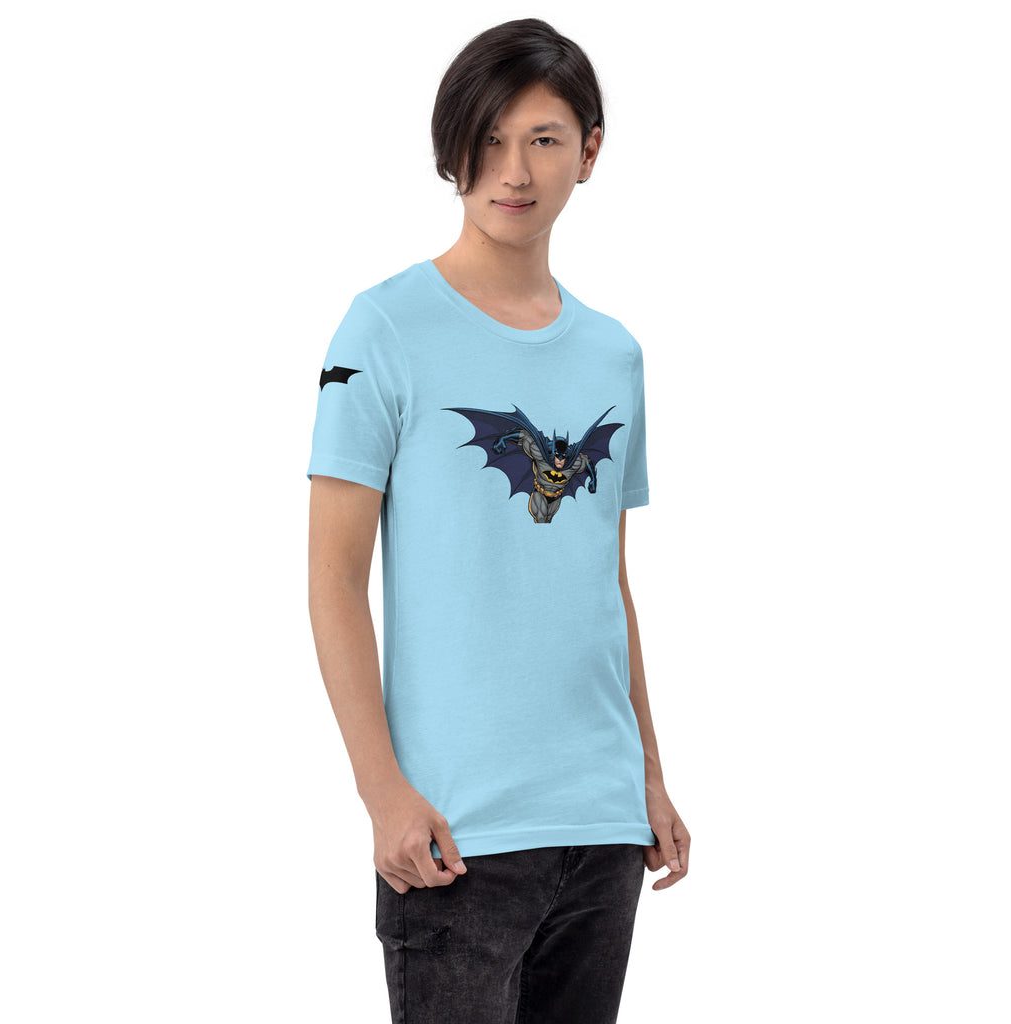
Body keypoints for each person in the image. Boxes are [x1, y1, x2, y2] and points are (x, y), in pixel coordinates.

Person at [307, 17, 690, 1024]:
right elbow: (333, 578)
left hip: (600, 824)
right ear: (454, 149)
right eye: (489, 140)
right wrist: (382, 792)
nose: (514, 171)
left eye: (544, 139)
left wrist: (647, 777)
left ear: (589, 151)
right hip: (454, 833)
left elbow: (606, 585)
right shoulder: (382, 327)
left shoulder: (613, 354)